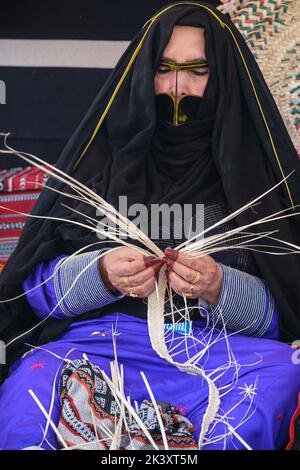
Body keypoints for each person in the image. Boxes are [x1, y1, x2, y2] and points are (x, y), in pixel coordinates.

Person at [0, 2, 300, 450]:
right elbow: (35, 296)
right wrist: (100, 275)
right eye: (165, 69)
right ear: (142, 74)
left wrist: (218, 286)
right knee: (31, 390)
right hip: (99, 348)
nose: (178, 89)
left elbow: (284, 314)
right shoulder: (95, 168)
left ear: (224, 81)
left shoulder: (256, 178)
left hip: (222, 355)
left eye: (198, 71)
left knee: (284, 374)